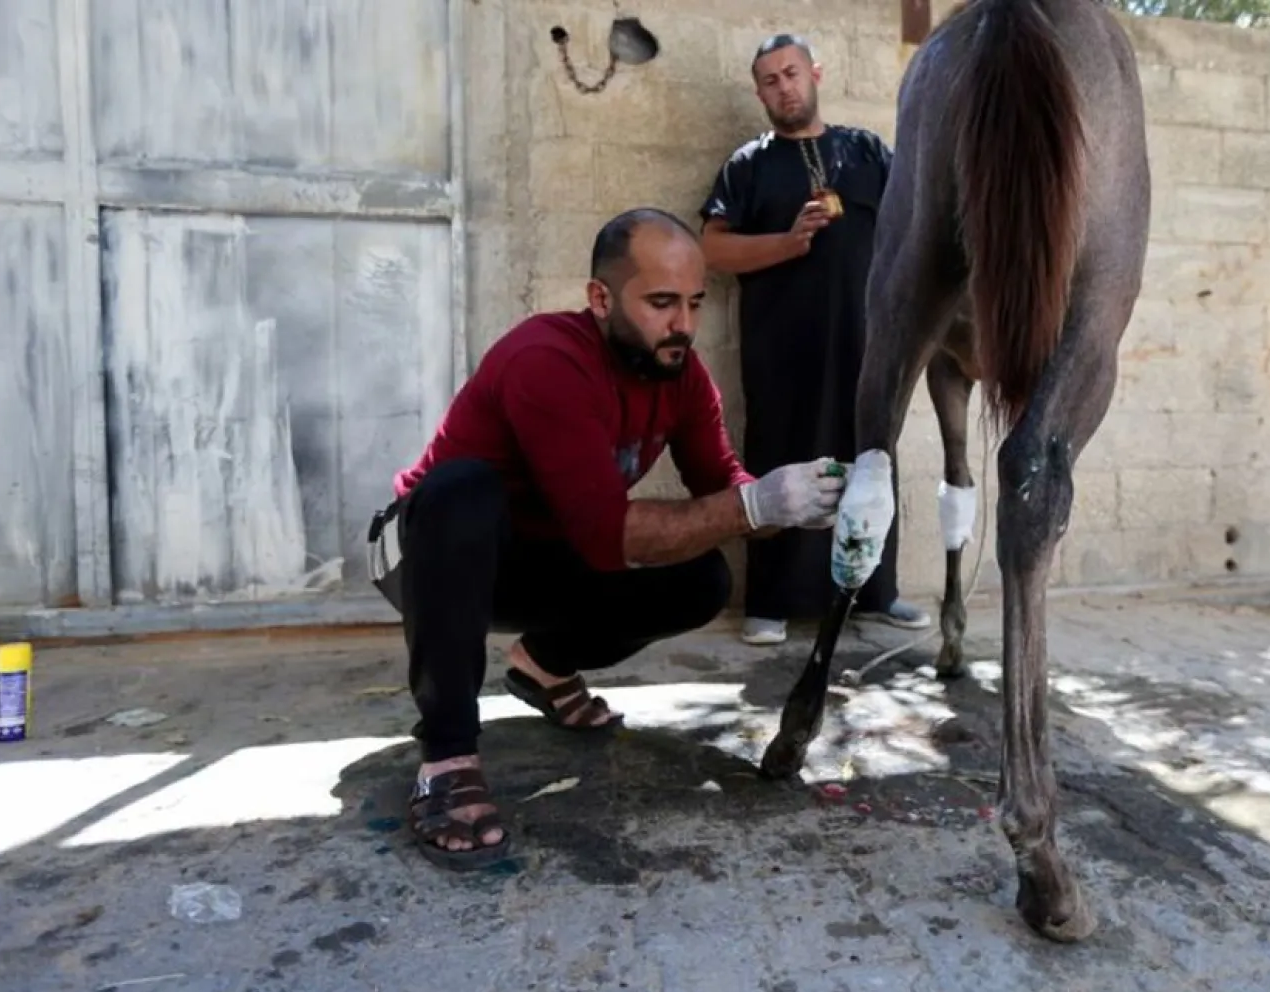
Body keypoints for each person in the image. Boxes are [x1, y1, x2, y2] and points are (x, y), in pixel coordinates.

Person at [366, 207, 849, 871]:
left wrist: (801, 502)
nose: (682, 324)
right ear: (600, 298)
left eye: (694, 302)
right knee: (462, 492)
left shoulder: (681, 374)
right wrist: (753, 505)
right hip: (423, 553)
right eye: (660, 302)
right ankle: (447, 758)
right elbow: (607, 536)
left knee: (701, 578)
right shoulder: (547, 360)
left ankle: (542, 664)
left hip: (539, 557)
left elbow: (722, 485)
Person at [699, 33, 931, 647]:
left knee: (872, 456)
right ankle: (771, 601)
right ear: (759, 92)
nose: (784, 87)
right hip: (782, 350)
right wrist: (787, 243)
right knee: (781, 457)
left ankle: (877, 593)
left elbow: (910, 227)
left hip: (868, 339)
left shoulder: (866, 151)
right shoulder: (749, 164)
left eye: (792, 73)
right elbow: (711, 247)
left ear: (815, 74)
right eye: (770, 80)